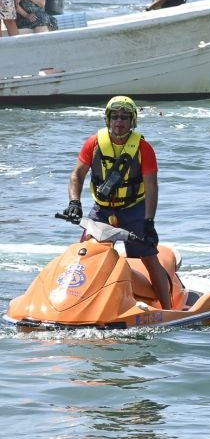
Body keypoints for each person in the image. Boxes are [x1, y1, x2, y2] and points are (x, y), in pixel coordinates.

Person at [62, 96, 182, 312]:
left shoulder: (144, 148)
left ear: (132, 121)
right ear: (107, 120)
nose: (119, 122)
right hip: (101, 210)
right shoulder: (94, 143)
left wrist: (148, 221)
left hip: (134, 210)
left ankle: (168, 309)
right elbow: (76, 176)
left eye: (125, 117)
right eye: (115, 117)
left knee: (148, 257)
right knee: (84, 254)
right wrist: (74, 203)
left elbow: (152, 188)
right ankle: (74, 304)